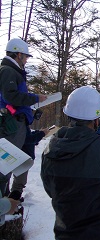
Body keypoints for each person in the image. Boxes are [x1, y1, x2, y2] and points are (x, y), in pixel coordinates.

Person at [41, 86, 100, 240]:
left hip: (66, 232)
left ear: (68, 114)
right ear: (96, 119)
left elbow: (50, 189)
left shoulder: (51, 147)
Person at [0, 38, 47, 200]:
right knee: (6, 162)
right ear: (18, 54)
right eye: (26, 56)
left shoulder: (13, 71)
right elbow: (10, 96)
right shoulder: (8, 71)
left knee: (14, 160)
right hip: (11, 125)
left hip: (17, 124)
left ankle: (7, 196)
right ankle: (2, 199)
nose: (26, 60)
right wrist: (34, 98)